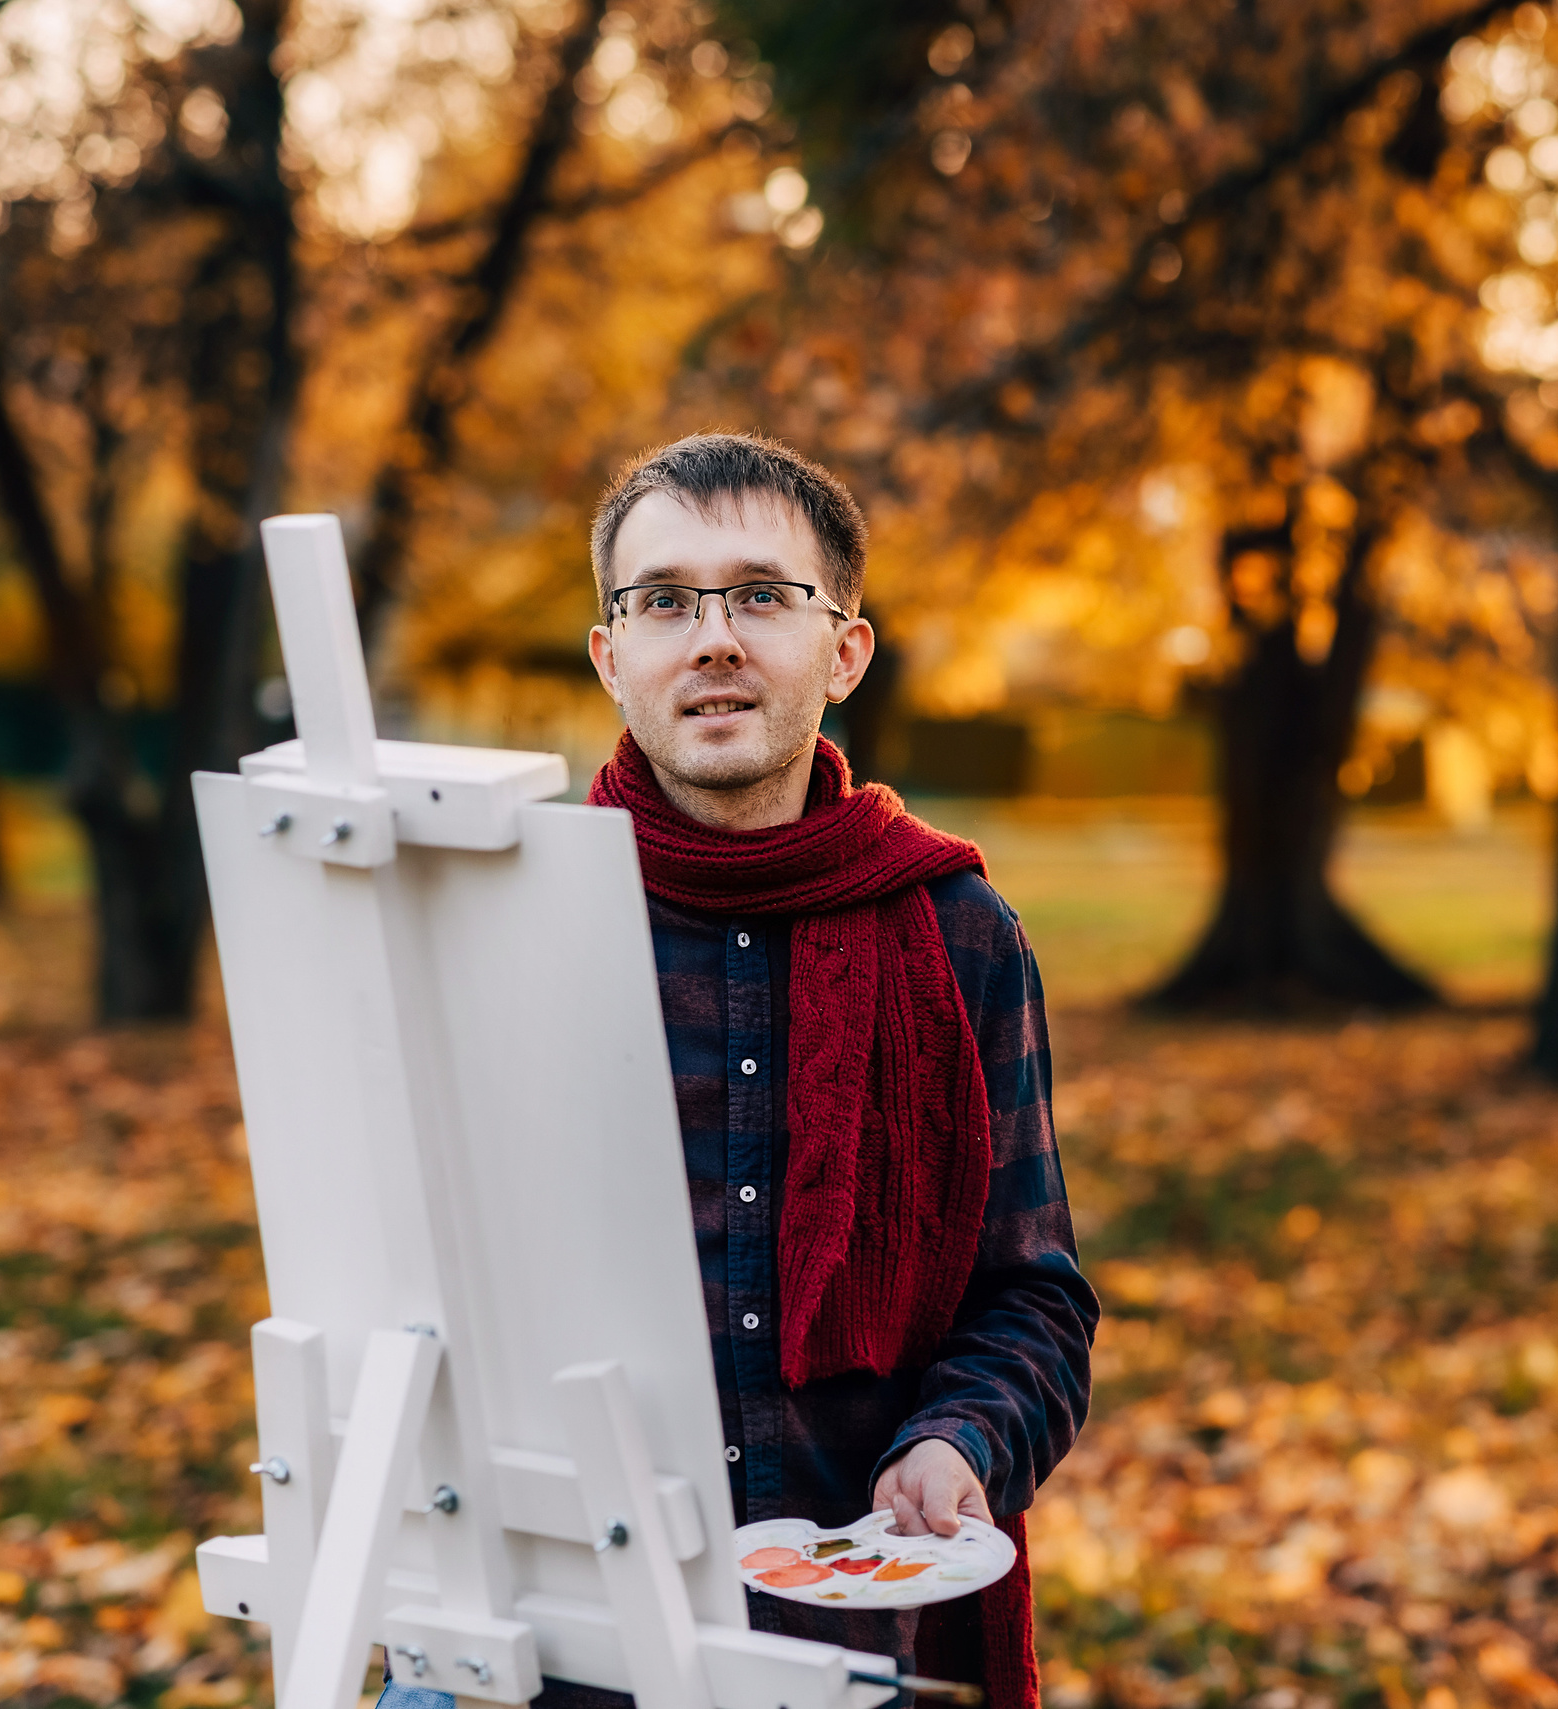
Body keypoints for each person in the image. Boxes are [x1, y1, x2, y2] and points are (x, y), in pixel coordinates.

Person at [383, 433, 1096, 1709]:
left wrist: (956, 1439)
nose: (712, 637)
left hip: (840, 1624)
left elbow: (1031, 1298)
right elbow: (406, 1295)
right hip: (545, 1636)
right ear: (613, 656)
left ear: (845, 651)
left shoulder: (958, 934)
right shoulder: (501, 926)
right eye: (663, 600)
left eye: (761, 594)